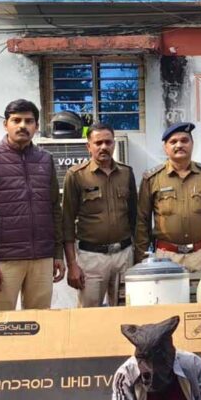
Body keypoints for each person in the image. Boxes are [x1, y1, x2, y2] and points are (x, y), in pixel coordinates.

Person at [0, 99, 65, 311]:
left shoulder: (45, 160)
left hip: (42, 257)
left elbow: (54, 209)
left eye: (29, 121)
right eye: (16, 120)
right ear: (6, 124)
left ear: (36, 126)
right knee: (2, 324)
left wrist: (57, 253)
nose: (22, 125)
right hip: (3, 260)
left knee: (40, 322)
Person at [136, 122, 201, 273]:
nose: (179, 145)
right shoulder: (152, 179)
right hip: (166, 256)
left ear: (192, 144)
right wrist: (142, 259)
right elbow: (142, 222)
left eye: (184, 140)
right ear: (165, 148)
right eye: (173, 142)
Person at [62, 122, 137, 307]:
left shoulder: (126, 173)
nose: (104, 147)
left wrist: (138, 255)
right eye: (98, 143)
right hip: (92, 258)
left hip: (124, 256)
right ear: (89, 146)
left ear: (114, 144)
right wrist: (72, 264)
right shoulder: (76, 176)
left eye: (108, 142)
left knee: (127, 311)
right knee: (89, 314)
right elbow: (67, 223)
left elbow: (135, 217)